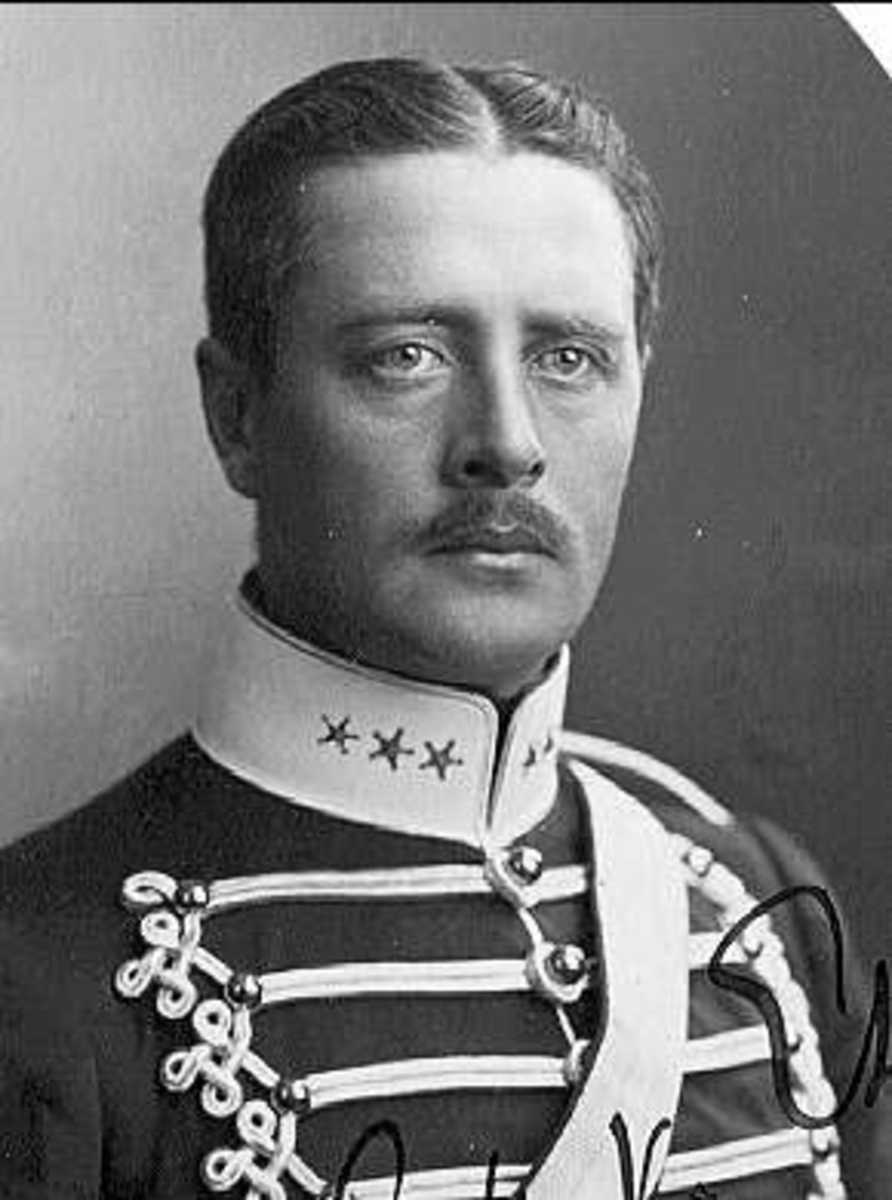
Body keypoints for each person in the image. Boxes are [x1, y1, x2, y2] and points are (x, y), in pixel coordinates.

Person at [0, 57, 887, 1200]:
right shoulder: (40, 971)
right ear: (236, 416)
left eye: (568, 359)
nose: (506, 443)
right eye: (405, 357)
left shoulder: (757, 906)